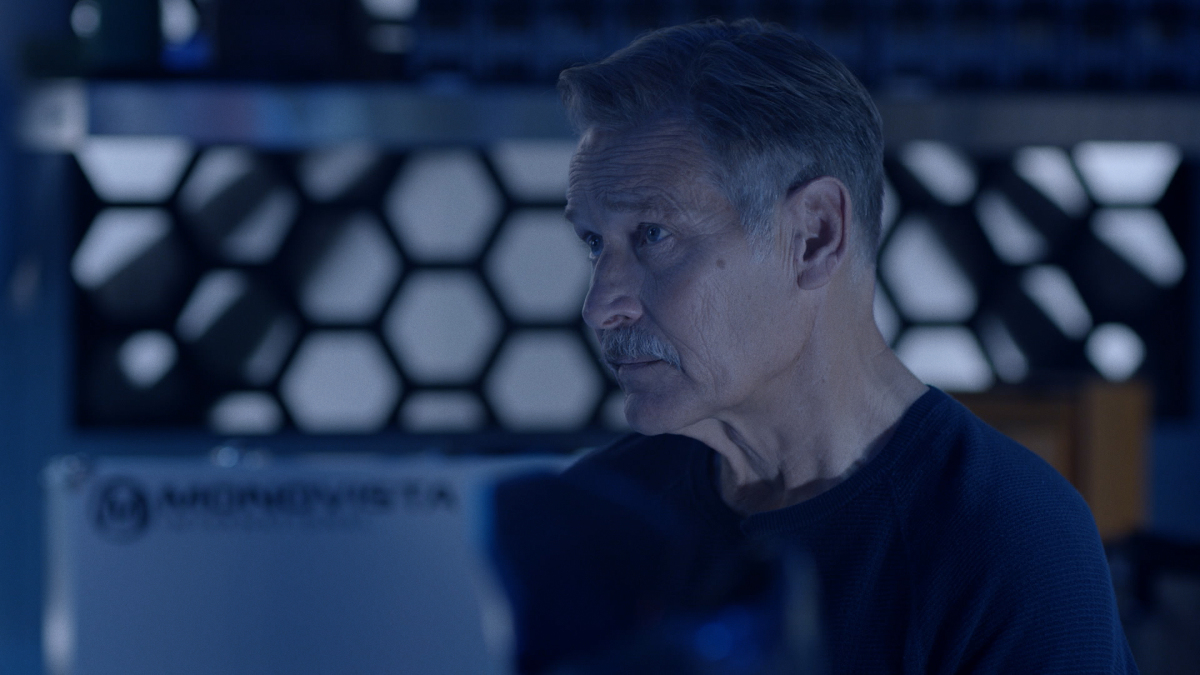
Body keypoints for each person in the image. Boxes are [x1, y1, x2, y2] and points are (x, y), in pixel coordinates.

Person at [556, 17, 1138, 674]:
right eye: (595, 243)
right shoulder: (600, 514)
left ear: (814, 237)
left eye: (654, 235)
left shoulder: (1012, 546)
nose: (601, 305)